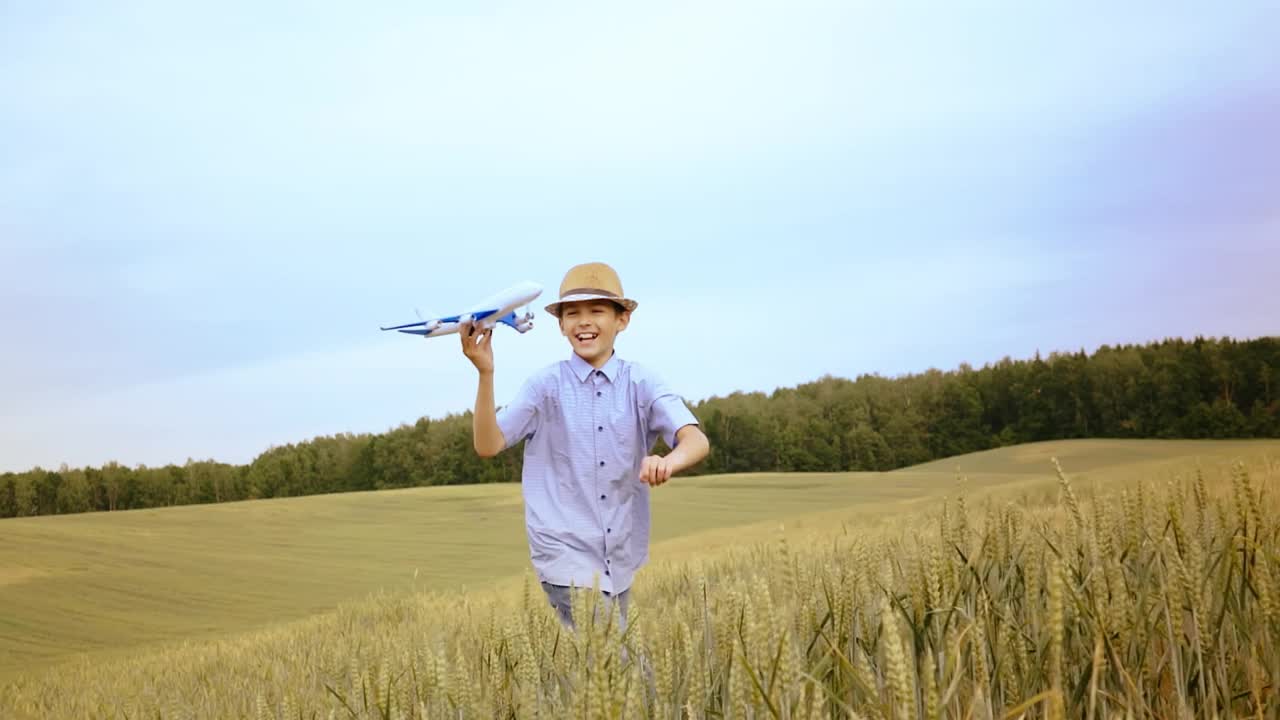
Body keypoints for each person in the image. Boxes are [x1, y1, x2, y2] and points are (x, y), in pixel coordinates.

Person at [460, 261, 710, 629]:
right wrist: (485, 373)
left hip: (619, 553)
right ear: (561, 325)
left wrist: (668, 462)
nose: (584, 321)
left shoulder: (642, 383)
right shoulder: (544, 387)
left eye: (597, 311)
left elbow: (695, 439)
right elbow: (488, 444)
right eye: (572, 313)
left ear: (621, 320)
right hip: (562, 552)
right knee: (624, 667)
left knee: (600, 675)